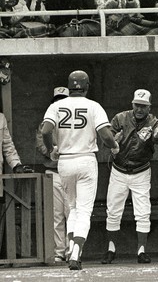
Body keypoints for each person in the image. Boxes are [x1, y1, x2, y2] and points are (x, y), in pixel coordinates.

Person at [41, 70, 119, 270]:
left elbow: (46, 130)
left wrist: (51, 150)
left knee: (73, 208)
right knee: (84, 210)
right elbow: (106, 135)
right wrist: (114, 146)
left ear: (69, 87)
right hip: (86, 159)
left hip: (65, 161)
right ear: (86, 87)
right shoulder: (94, 106)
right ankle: (76, 252)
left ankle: (71, 249)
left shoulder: (56, 105)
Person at [101, 89, 158, 265]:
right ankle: (111, 249)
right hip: (119, 169)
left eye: (143, 106)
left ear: (149, 107)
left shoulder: (153, 122)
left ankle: (141, 251)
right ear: (132, 104)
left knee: (143, 212)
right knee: (113, 211)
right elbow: (105, 136)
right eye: (137, 105)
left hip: (141, 170)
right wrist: (113, 139)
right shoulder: (120, 118)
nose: (140, 109)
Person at [36, 86, 70, 263]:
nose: (60, 103)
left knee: (71, 213)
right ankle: (59, 251)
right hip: (53, 171)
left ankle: (72, 251)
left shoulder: (73, 121)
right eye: (57, 100)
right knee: (57, 214)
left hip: (70, 171)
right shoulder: (46, 122)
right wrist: (52, 150)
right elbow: (40, 144)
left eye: (63, 99)